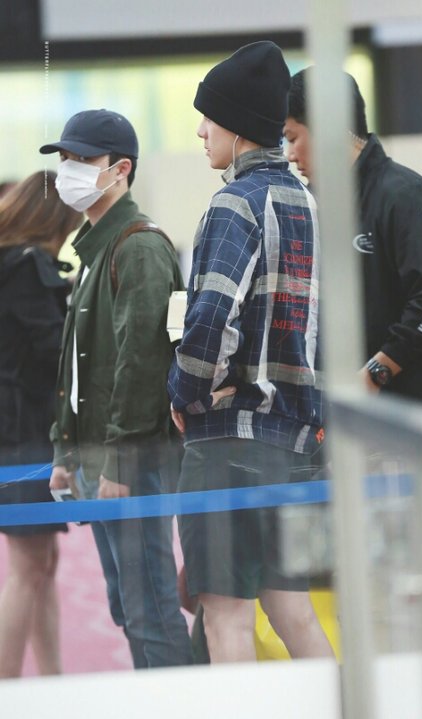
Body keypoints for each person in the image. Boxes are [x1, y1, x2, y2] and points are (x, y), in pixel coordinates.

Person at [285, 67, 422, 645]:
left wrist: (372, 374)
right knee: (378, 595)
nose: (289, 154)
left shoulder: (404, 194)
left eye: (293, 137)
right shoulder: (326, 206)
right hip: (370, 432)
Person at [168, 41, 334, 663]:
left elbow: (211, 319)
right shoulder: (309, 204)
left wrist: (183, 392)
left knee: (226, 618)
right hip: (294, 440)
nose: (201, 131)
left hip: (228, 443)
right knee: (293, 611)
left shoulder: (233, 204)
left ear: (237, 126)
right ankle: (343, 707)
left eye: (209, 118)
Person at [39, 109, 193, 668]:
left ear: (121, 168)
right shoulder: (96, 247)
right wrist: (65, 451)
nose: (69, 170)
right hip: (100, 456)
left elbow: (143, 362)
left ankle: (184, 702)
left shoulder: (139, 246)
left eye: (83, 159)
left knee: (150, 608)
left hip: (131, 459)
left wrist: (120, 461)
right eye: (65, 158)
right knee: (129, 607)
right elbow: (78, 366)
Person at [0, 170, 82, 678]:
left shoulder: (16, 263)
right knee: (30, 567)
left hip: (20, 429)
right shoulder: (27, 267)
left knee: (40, 564)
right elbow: (53, 349)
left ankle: (50, 681)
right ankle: (10, 685)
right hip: (21, 433)